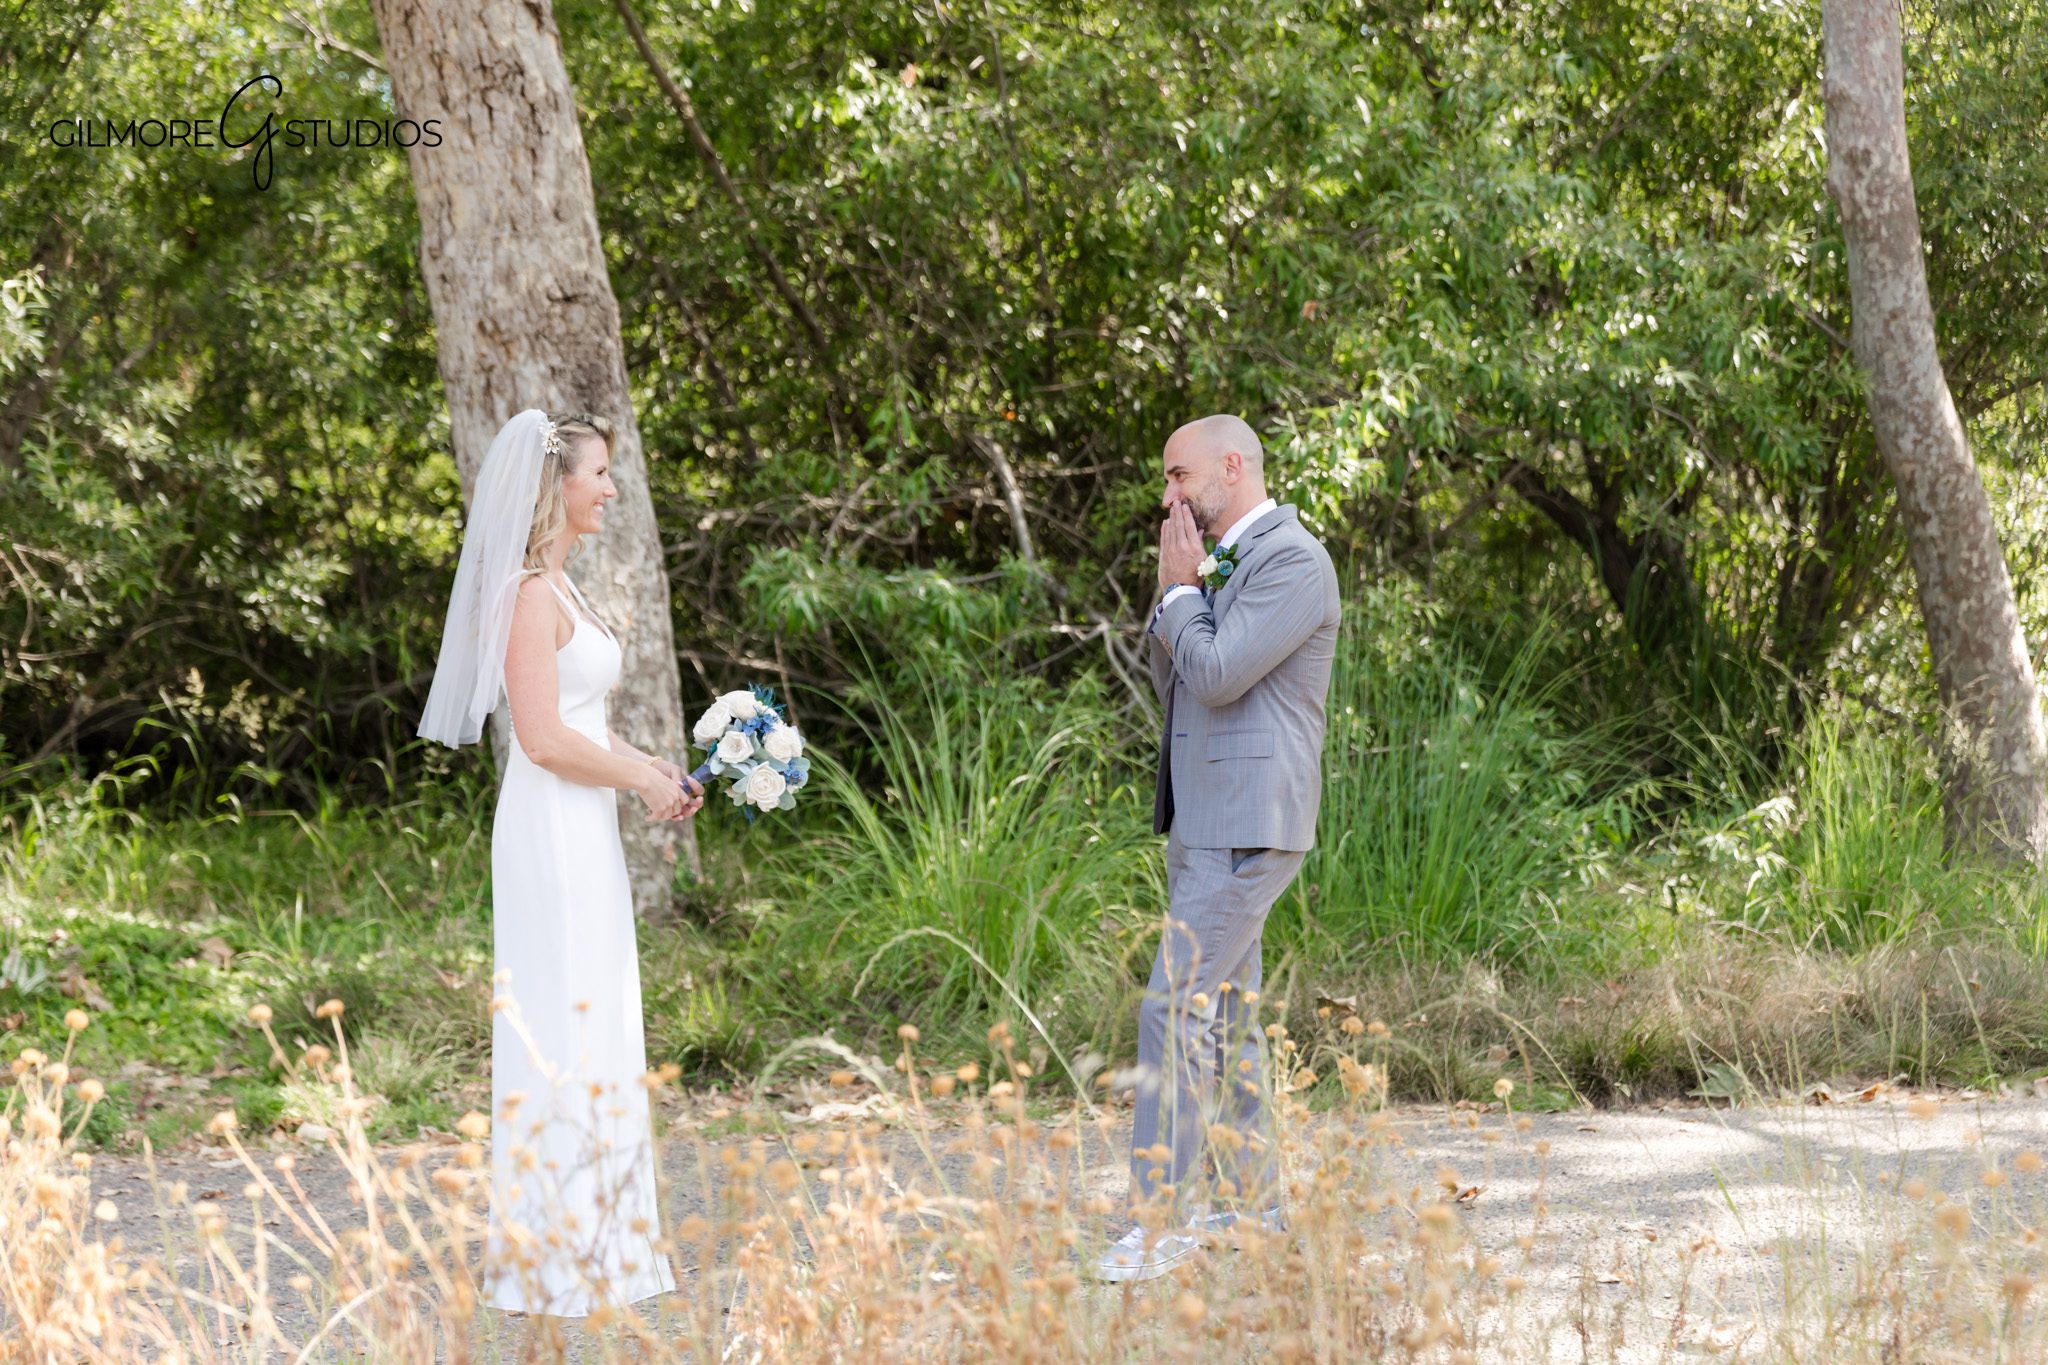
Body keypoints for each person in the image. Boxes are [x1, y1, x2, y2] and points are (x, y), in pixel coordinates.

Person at [418, 408, 701, 1315]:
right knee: (560, 1008)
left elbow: (588, 725)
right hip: (548, 822)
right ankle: (554, 1250)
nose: (611, 488)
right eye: (601, 474)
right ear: (559, 487)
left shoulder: (565, 589)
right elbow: (540, 739)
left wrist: (653, 772)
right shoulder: (529, 596)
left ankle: (609, 1237)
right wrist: (638, 780)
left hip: (588, 822)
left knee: (602, 1007)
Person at [1093, 414, 1341, 1283]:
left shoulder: (1293, 560)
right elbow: (1177, 682)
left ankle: (1160, 1223)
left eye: (1177, 475)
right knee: (1229, 1022)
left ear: (1230, 467)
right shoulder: (1213, 564)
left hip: (1248, 820)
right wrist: (1178, 593)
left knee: (1172, 1006)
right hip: (1200, 817)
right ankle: (1254, 1206)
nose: (1167, 495)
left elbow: (1221, 670)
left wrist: (1178, 596)